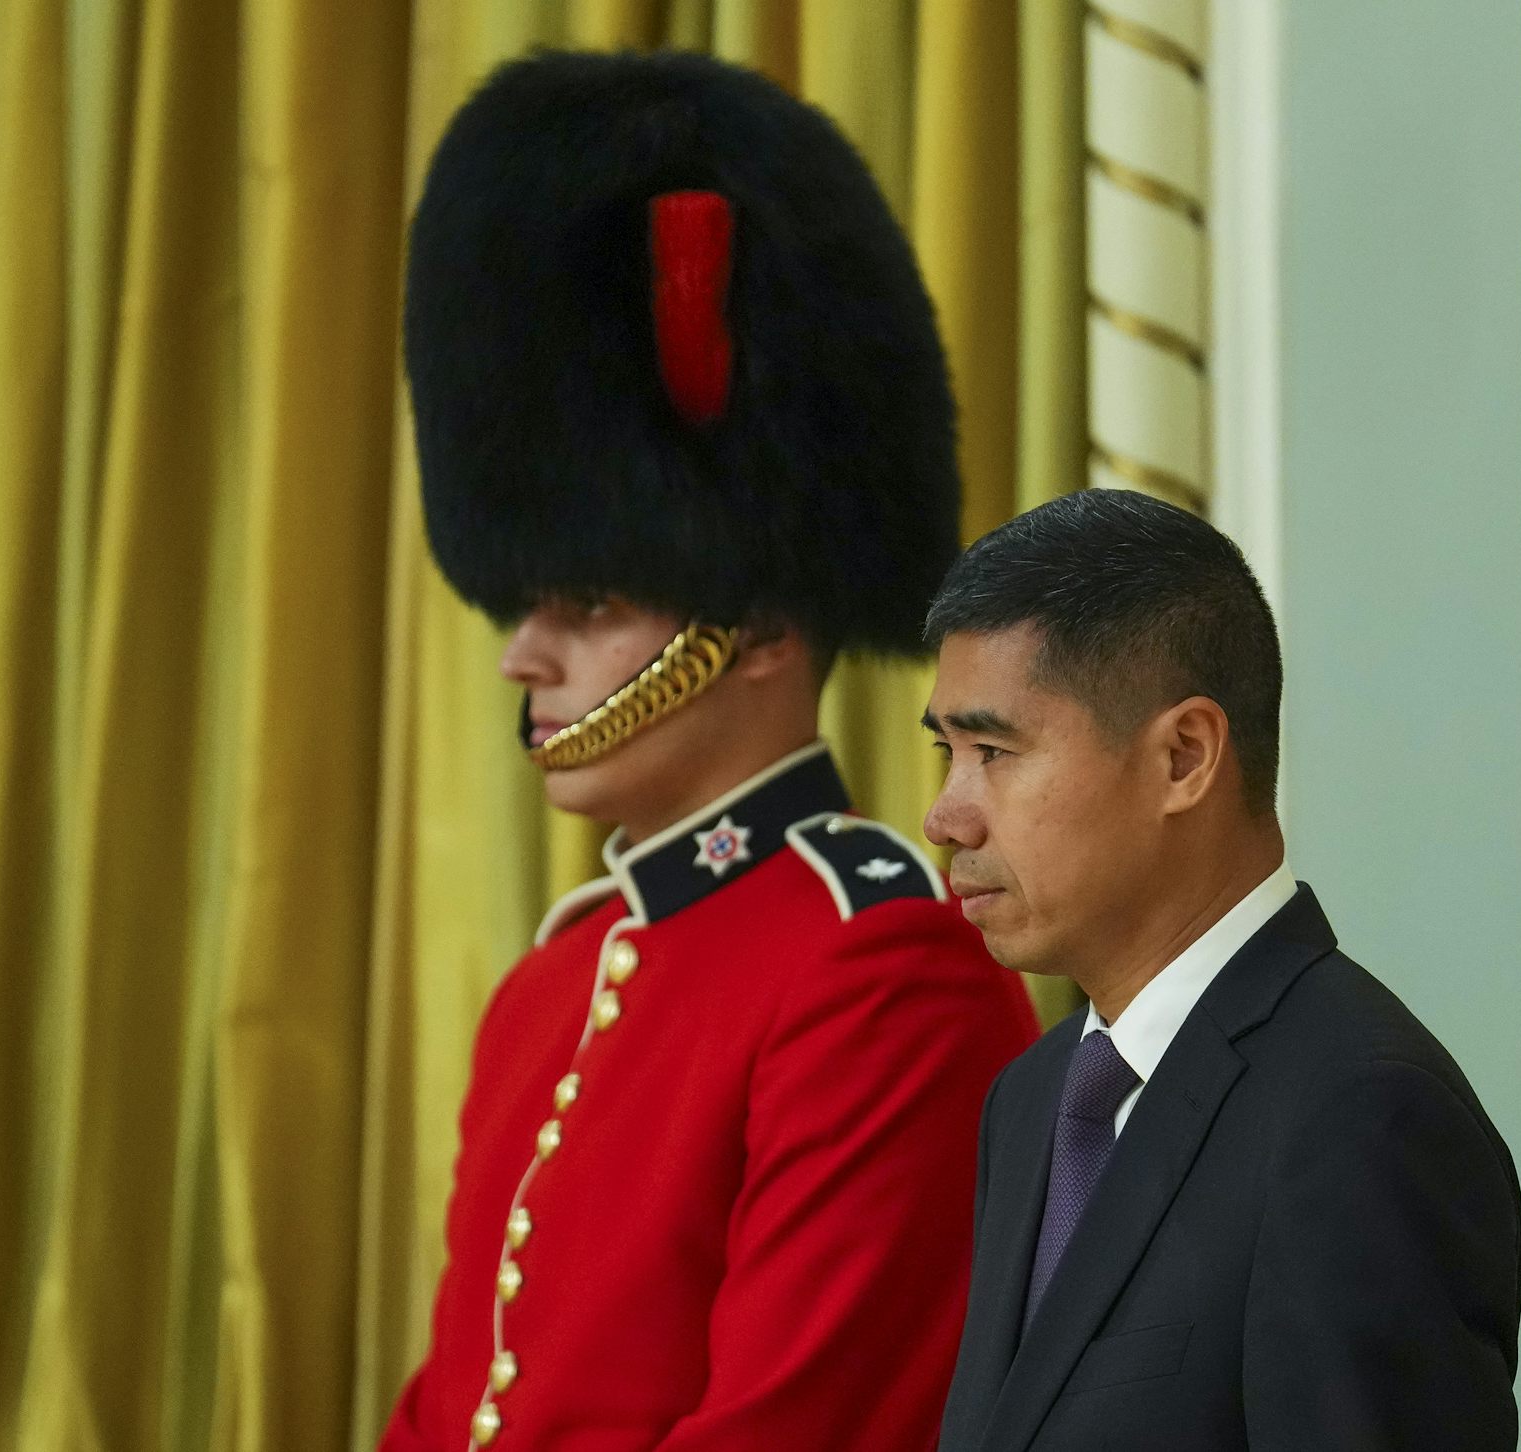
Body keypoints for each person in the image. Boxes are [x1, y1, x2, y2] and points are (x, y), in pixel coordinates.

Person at [379, 50, 1039, 1452]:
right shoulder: (548, 992)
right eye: (526, 603)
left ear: (757, 626)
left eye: (593, 603)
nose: (522, 654)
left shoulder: (883, 973)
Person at [922, 490, 1521, 1451]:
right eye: (945, 750)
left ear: (1185, 756)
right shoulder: (1034, 1098)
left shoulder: (1362, 1112)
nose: (946, 815)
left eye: (994, 751)